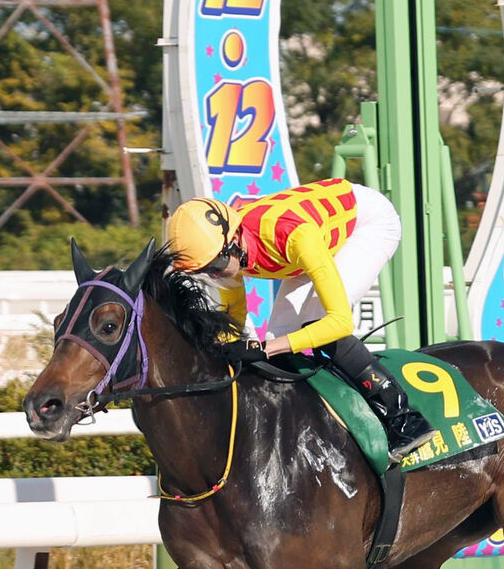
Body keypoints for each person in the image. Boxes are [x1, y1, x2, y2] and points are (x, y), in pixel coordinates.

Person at [167, 178, 436, 462]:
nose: (215, 274)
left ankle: (405, 419)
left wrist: (265, 349)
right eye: (205, 270)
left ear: (233, 239)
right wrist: (223, 349)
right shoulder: (228, 247)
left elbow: (341, 322)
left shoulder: (294, 236)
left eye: (215, 265)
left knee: (314, 320)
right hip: (306, 241)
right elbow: (235, 314)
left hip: (367, 224)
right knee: (278, 334)